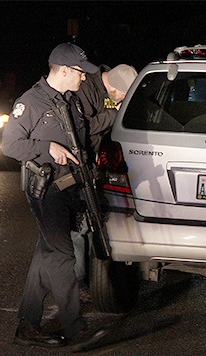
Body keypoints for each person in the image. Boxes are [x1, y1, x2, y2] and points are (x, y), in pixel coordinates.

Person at [1, 42, 108, 351]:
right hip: (45, 190)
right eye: (80, 73)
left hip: (69, 186)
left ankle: (28, 326)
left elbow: (84, 131)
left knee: (46, 254)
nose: (85, 78)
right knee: (62, 256)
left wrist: (120, 114)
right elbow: (10, 145)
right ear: (63, 70)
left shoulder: (69, 101)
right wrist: (46, 148)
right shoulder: (31, 102)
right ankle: (76, 328)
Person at [71, 63, 138, 300]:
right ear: (116, 87)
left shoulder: (105, 88)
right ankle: (77, 284)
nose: (121, 100)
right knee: (78, 230)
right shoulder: (86, 89)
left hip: (96, 167)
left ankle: (88, 281)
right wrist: (114, 114)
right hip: (77, 167)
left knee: (92, 227)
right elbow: (84, 129)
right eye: (122, 95)